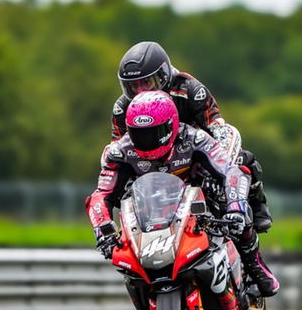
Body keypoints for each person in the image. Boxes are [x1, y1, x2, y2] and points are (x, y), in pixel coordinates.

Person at [86, 90, 279, 297]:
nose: (146, 141)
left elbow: (231, 172)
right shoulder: (121, 152)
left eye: (154, 133)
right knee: (128, 261)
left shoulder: (194, 139)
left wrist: (236, 207)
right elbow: (101, 194)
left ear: (171, 125)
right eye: (138, 134)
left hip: (200, 200)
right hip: (153, 211)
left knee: (234, 209)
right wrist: (102, 229)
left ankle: (254, 263)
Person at [110, 40, 273, 233]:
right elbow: (117, 149)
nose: (139, 91)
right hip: (150, 168)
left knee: (243, 160)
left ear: (163, 75)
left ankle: (256, 209)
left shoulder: (191, 90)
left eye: (146, 83)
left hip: (195, 157)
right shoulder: (123, 107)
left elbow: (219, 129)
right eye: (132, 86)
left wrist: (217, 168)